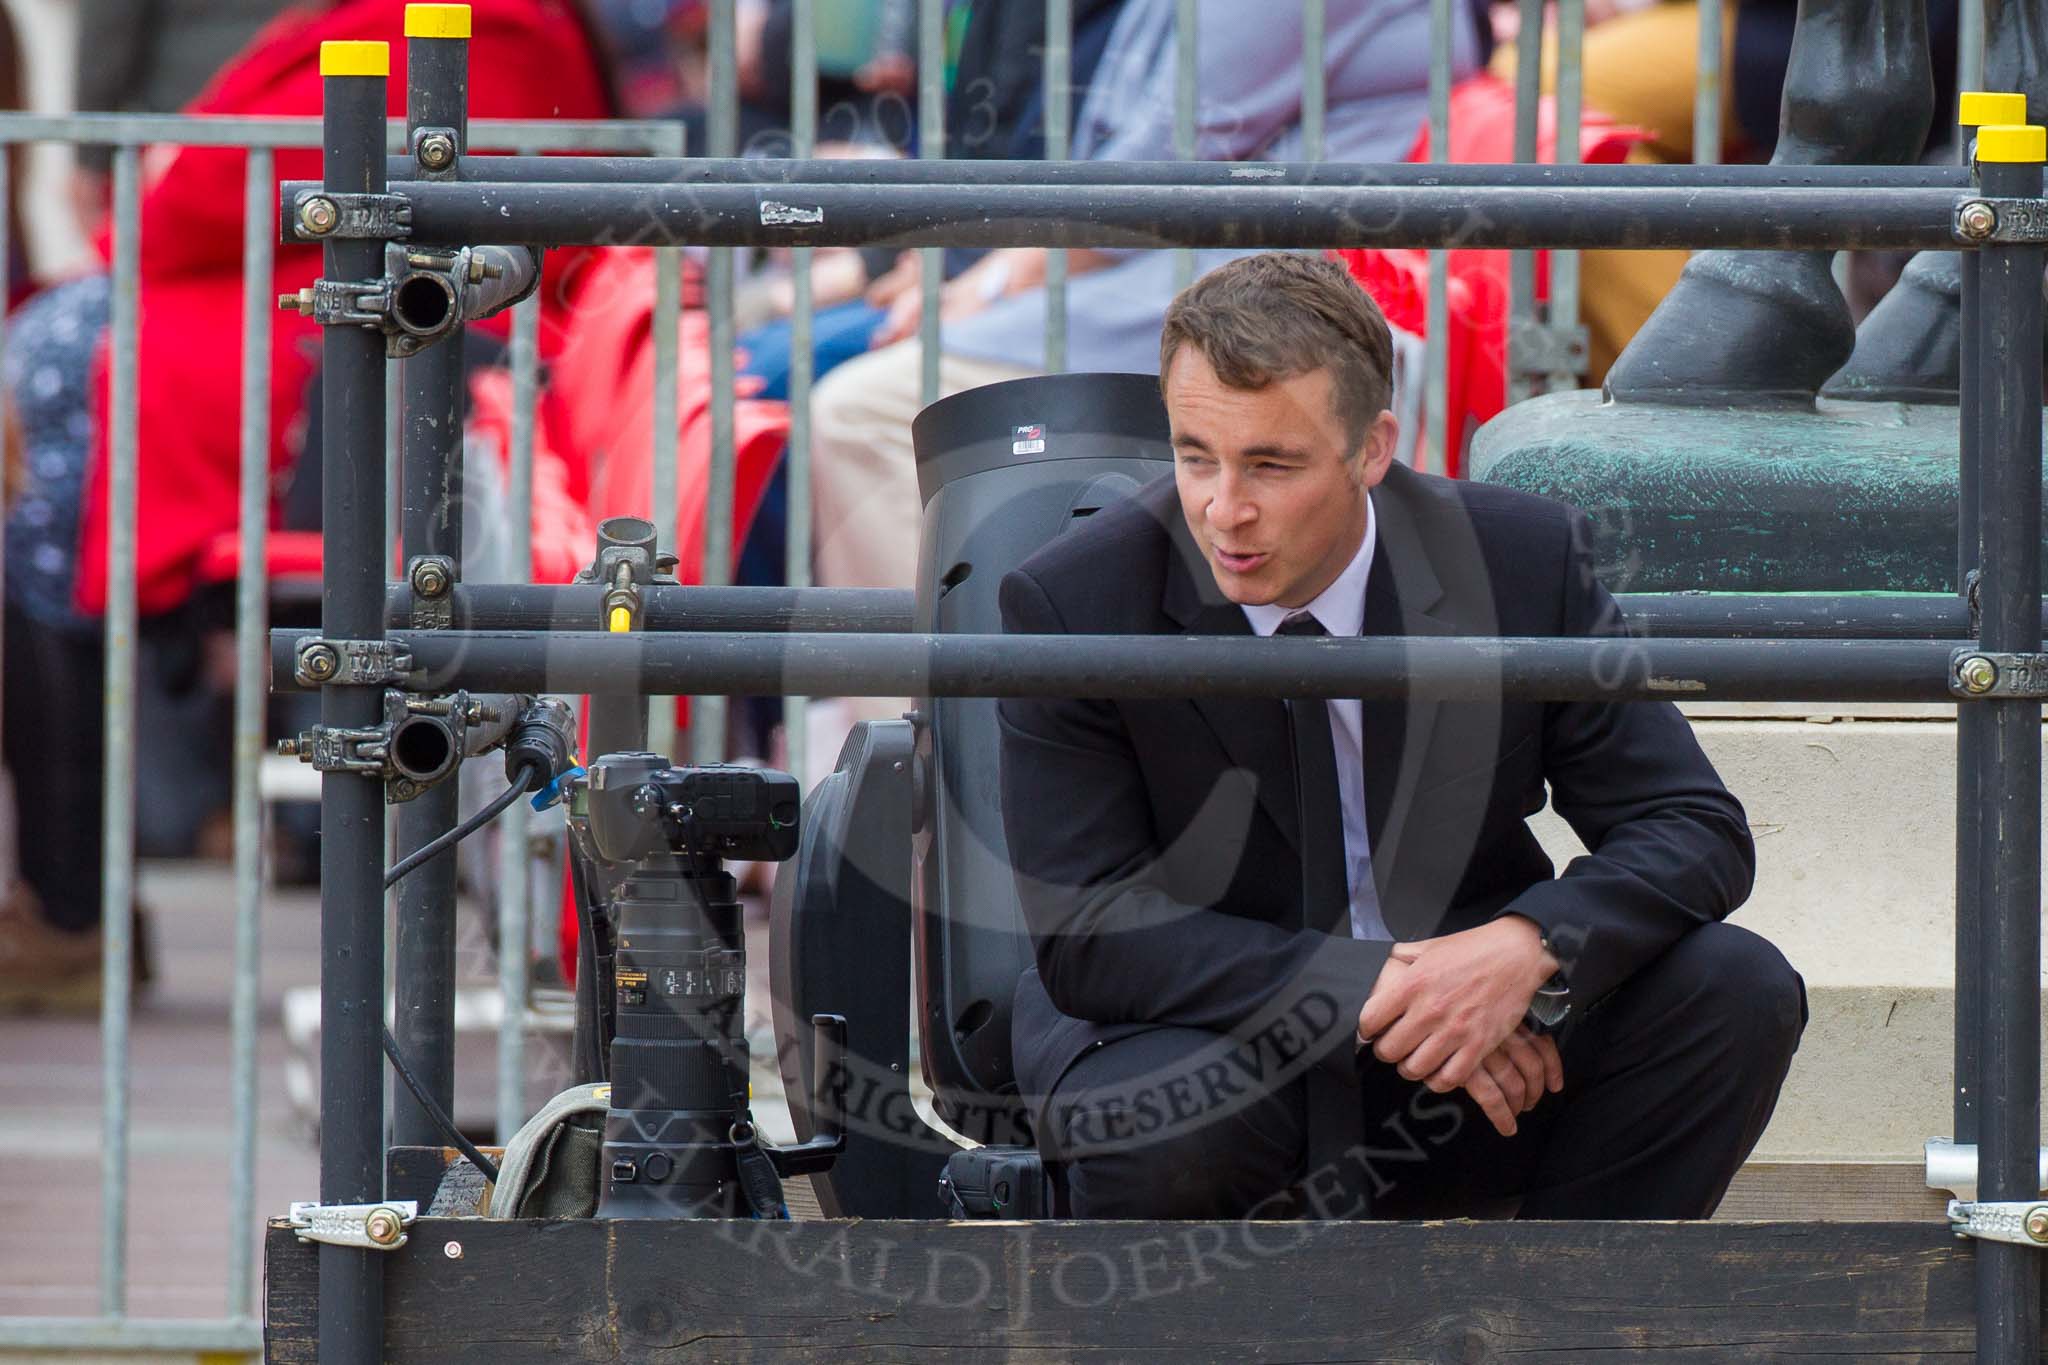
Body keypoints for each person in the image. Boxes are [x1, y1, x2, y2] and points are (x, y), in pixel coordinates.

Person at [997, 252, 1805, 1220]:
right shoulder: (1074, 597)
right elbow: (1087, 932)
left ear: (1373, 448)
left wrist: (1524, 950)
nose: (1221, 509)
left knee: (1736, 992)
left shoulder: (1517, 561)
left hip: (1478, 1039)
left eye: (1270, 463)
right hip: (1209, 1034)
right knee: (1167, 1125)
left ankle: (1554, 1327)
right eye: (1192, 455)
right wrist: (1384, 991)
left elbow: (1691, 826)